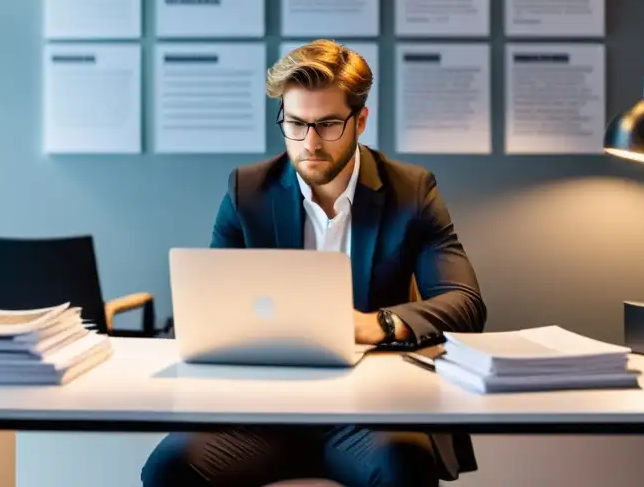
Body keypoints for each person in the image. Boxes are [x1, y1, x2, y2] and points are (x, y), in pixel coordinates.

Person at [142, 39, 487, 487]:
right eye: (296, 124)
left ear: (360, 120)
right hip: (262, 410)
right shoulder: (247, 190)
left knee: (406, 467)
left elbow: (464, 303)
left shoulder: (412, 191)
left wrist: (374, 324)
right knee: (168, 470)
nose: (310, 143)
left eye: (327, 125)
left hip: (369, 411)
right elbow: (209, 307)